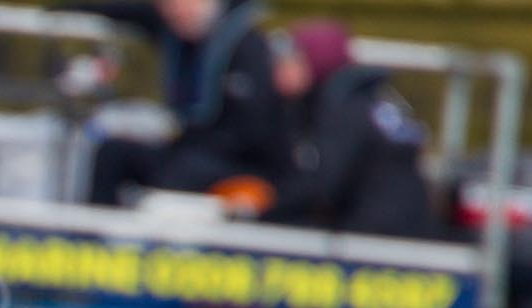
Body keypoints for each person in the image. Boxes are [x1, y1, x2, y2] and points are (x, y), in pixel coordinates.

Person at [79, 0, 288, 207]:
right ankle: (96, 231)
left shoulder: (247, 46)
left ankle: (155, 236)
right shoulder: (174, 33)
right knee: (113, 153)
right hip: (189, 148)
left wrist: (193, 145)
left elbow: (253, 131)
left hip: (239, 161)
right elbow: (124, 11)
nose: (175, 12)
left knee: (181, 172)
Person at [262, 21, 433, 239]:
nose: (281, 70)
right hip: (402, 226)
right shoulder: (366, 98)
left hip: (381, 237)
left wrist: (265, 204)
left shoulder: (345, 108)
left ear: (317, 62)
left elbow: (324, 184)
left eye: (294, 61)